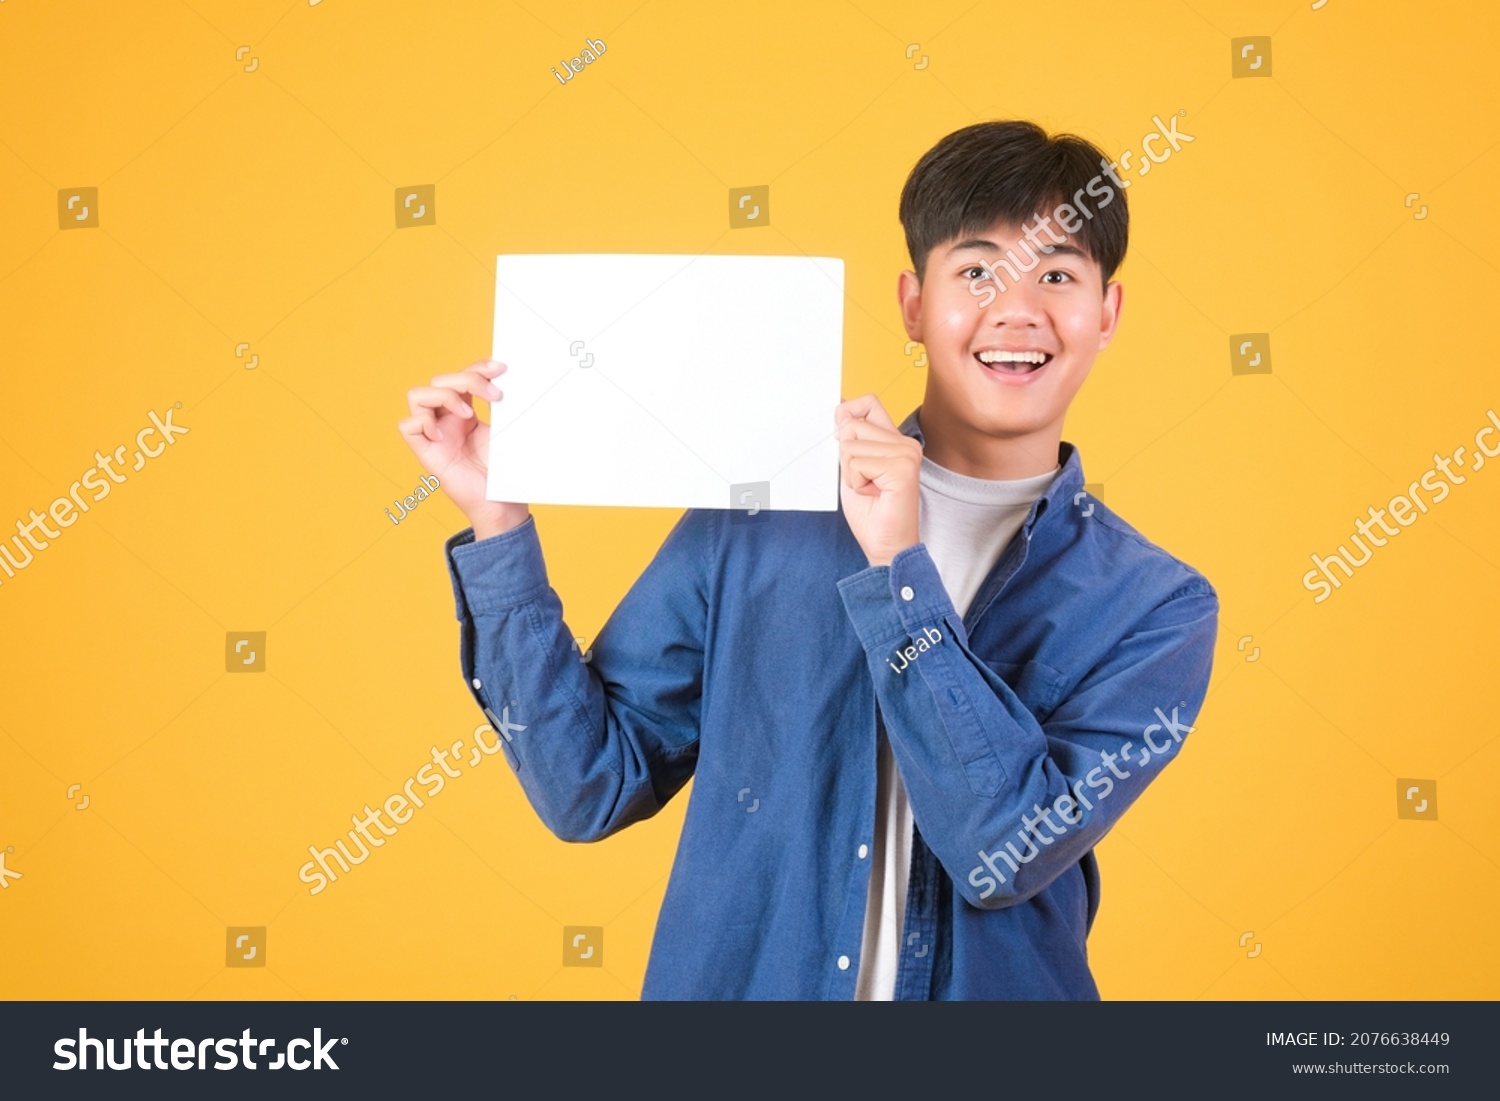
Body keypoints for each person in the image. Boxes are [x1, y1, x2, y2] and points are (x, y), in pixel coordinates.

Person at [398, 120, 1218, 1000]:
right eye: (976, 271)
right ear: (912, 303)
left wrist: (897, 565)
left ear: (1107, 314)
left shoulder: (1155, 607)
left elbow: (997, 851)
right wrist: (497, 522)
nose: (1016, 310)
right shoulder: (765, 512)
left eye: (1057, 274)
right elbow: (589, 784)